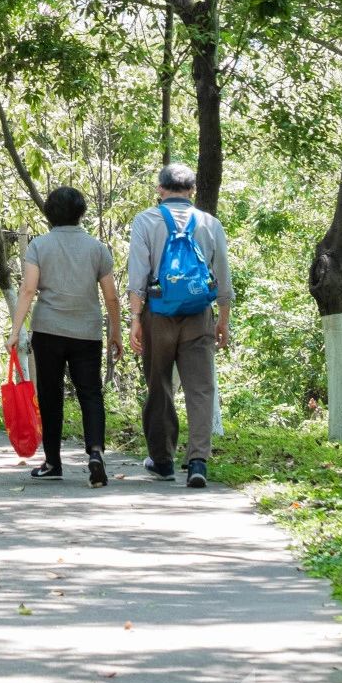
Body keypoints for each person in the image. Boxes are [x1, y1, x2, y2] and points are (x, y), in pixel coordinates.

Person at [7, 185, 123, 486]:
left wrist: (15, 330)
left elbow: (28, 290)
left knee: (50, 395)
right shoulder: (97, 248)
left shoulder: (39, 246)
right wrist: (115, 332)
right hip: (87, 331)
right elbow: (111, 296)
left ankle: (53, 462)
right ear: (81, 213)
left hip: (48, 330)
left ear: (49, 213)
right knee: (91, 393)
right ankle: (95, 453)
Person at [127, 161, 233, 489]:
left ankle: (162, 461)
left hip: (158, 313)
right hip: (199, 313)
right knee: (201, 388)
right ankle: (198, 460)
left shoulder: (146, 220)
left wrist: (135, 319)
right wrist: (223, 320)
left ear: (160, 189)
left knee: (159, 383)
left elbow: (137, 274)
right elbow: (223, 275)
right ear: (192, 191)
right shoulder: (209, 223)